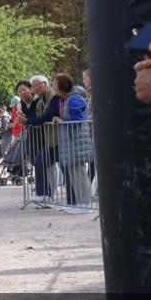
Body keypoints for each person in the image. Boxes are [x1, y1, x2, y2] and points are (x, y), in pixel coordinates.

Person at [52, 73, 92, 213]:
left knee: (79, 174)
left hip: (76, 141)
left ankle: (85, 204)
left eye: (55, 83)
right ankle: (80, 203)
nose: (53, 86)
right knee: (74, 174)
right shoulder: (66, 99)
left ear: (62, 85)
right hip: (72, 142)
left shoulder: (74, 99)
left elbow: (78, 119)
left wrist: (62, 121)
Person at [20, 75, 60, 204]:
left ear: (45, 84)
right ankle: (44, 195)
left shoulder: (54, 97)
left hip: (57, 138)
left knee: (66, 169)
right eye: (33, 86)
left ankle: (78, 203)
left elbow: (47, 116)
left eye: (36, 85)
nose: (34, 88)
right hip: (49, 139)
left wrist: (28, 120)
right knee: (40, 162)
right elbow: (41, 117)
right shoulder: (42, 98)